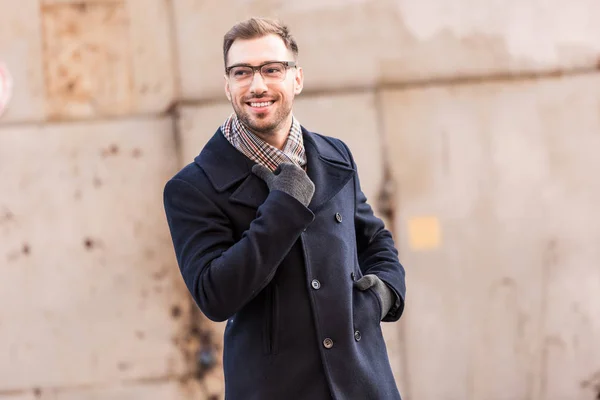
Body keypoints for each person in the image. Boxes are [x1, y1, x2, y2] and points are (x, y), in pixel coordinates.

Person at [163, 17, 406, 400]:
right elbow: (215, 295)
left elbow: (375, 240)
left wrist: (383, 295)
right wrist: (285, 202)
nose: (257, 85)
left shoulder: (335, 156)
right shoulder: (192, 188)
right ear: (227, 86)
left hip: (364, 384)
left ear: (297, 79)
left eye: (272, 69)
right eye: (242, 72)